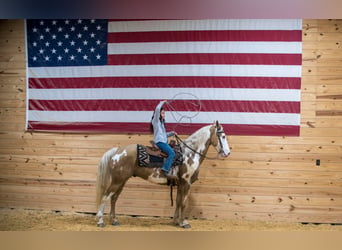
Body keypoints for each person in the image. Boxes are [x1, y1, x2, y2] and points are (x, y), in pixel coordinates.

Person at [151, 100, 177, 179]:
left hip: (163, 141)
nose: (164, 114)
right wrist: (162, 102)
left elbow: (164, 135)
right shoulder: (155, 121)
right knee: (172, 153)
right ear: (158, 114)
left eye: (164, 113)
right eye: (162, 113)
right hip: (160, 142)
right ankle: (165, 169)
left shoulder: (162, 123)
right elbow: (157, 109)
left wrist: (172, 133)